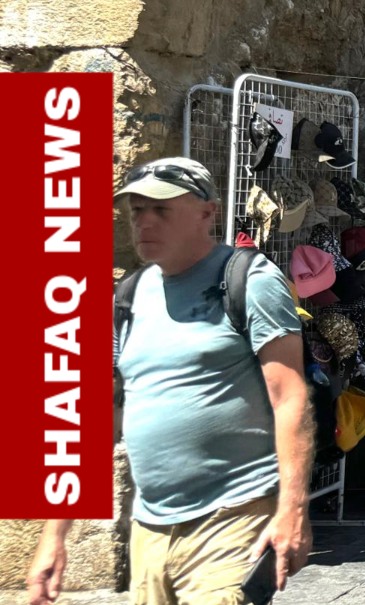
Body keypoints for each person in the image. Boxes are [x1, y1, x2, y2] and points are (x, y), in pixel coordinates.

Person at [29, 158, 311, 605]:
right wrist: (54, 536)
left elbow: (290, 397)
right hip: (150, 532)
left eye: (161, 209)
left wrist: (293, 509)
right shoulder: (126, 298)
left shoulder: (247, 280)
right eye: (136, 210)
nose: (144, 221)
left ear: (207, 212)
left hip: (231, 520)